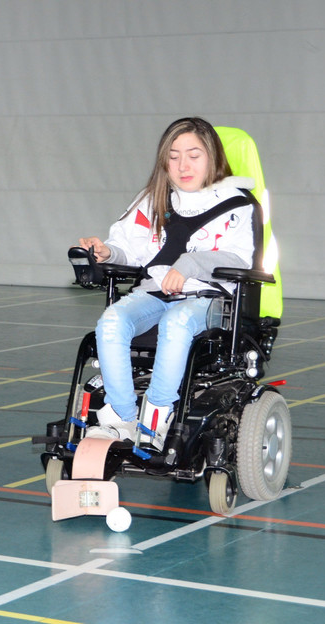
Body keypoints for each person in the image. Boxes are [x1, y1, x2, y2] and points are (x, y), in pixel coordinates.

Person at [78, 117, 256, 447]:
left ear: (213, 157)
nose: (183, 165)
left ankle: (157, 419)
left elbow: (240, 258)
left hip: (208, 297)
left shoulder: (236, 203)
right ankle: (122, 417)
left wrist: (190, 264)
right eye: (174, 157)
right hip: (154, 292)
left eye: (193, 155)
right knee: (111, 322)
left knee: (177, 321)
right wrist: (107, 252)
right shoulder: (152, 200)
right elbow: (129, 249)